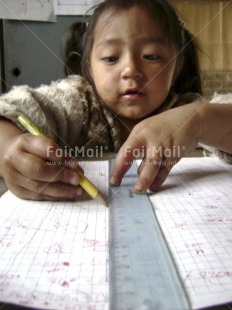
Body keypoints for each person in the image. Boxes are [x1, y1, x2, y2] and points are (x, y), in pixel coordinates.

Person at [0, 0, 231, 201]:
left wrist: (200, 119)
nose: (131, 70)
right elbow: (11, 108)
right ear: (89, 66)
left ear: (177, 64)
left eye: (151, 56)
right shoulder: (78, 101)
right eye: (111, 58)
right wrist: (8, 147)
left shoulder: (184, 110)